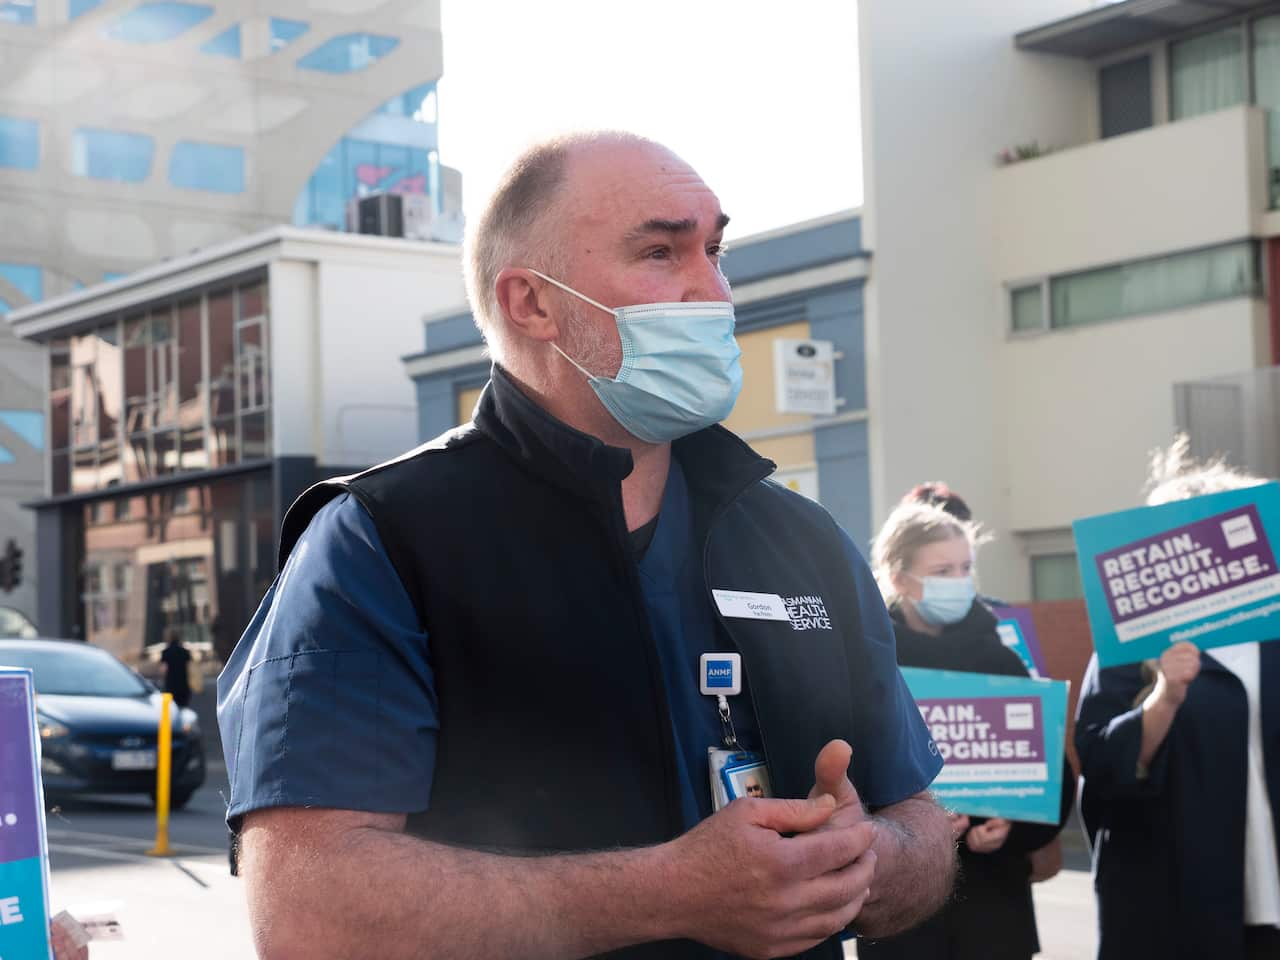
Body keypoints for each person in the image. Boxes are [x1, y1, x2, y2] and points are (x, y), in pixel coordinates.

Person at [217, 131, 956, 960]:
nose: (710, 292)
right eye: (660, 251)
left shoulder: (798, 538)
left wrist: (867, 862)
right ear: (532, 302)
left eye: (715, 251)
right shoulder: (383, 539)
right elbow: (309, 911)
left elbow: (921, 823)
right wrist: (670, 892)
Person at [1075, 438, 1280, 960]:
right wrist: (1165, 698)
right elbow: (1103, 767)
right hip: (1177, 912)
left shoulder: (1271, 632)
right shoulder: (1129, 643)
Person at [859, 502, 1072, 960]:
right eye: (942, 570)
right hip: (903, 915)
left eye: (965, 568)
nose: (958, 581)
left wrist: (1011, 826)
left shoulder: (1002, 660)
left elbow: (1052, 776)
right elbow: (851, 777)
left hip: (995, 909)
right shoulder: (873, 666)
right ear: (899, 579)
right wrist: (913, 823)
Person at [159, 628, 192, 708]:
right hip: (183, 684)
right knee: (183, 709)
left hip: (170, 684)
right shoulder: (184, 652)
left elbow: (162, 669)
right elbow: (190, 666)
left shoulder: (166, 652)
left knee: (169, 711)